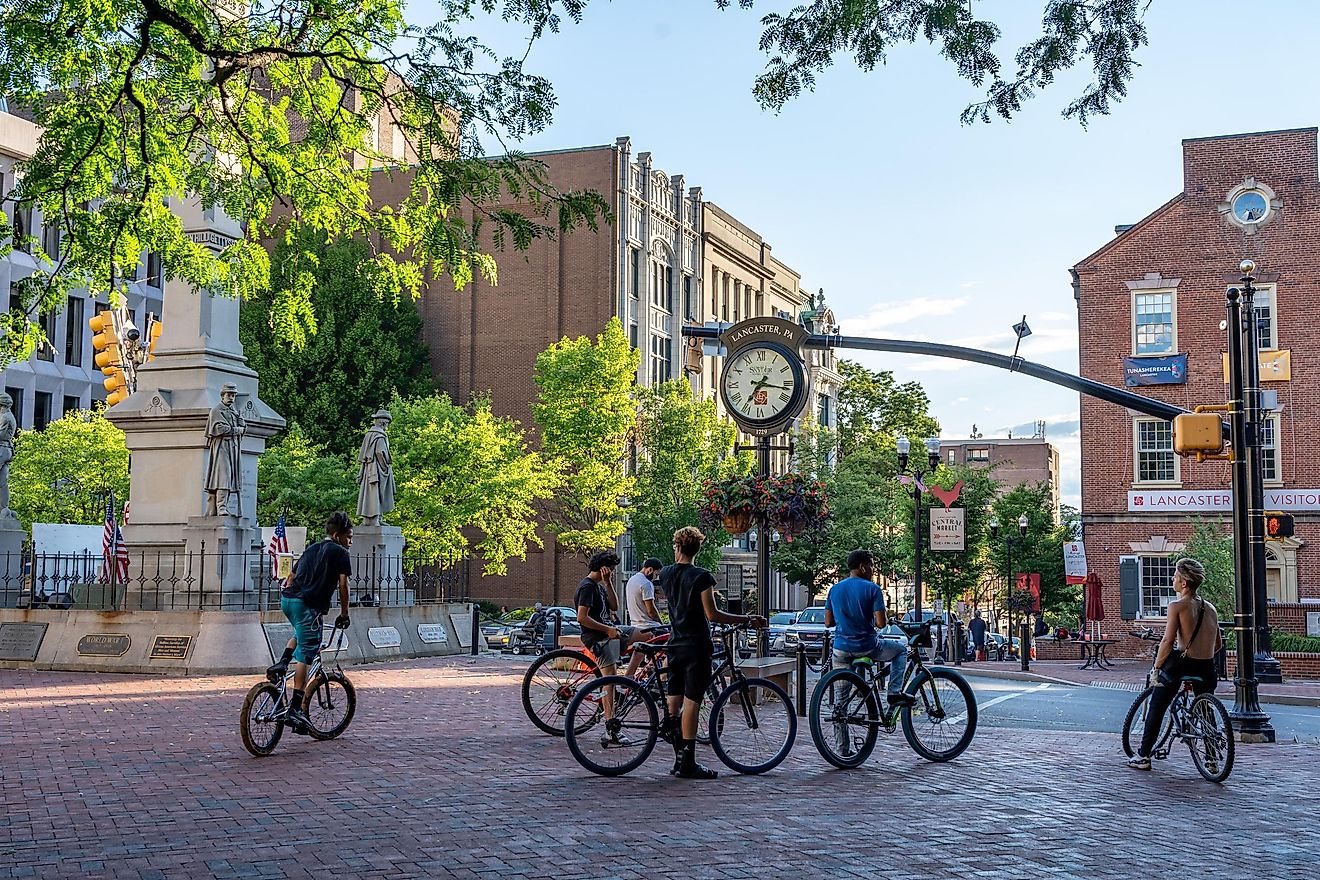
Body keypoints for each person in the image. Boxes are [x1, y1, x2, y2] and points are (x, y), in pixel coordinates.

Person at [659, 526, 766, 780]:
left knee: (673, 705)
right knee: (692, 703)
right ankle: (688, 763)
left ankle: (678, 759)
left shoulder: (665, 574)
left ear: (677, 547)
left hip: (674, 644)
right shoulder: (702, 577)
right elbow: (712, 614)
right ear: (698, 549)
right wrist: (747, 618)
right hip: (696, 645)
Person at [1128, 557, 1221, 771]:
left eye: (1176, 576)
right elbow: (1217, 644)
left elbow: (1168, 641)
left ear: (1184, 583)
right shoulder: (1211, 608)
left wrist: (1157, 668)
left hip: (1183, 665)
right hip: (1206, 667)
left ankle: (1143, 756)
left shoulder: (1177, 606)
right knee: (1206, 710)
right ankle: (1212, 759)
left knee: (1157, 706)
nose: (1173, 578)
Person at [268, 512, 353, 733]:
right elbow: (343, 585)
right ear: (337, 535)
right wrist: (344, 613)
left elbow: (291, 576)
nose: (350, 541)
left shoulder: (312, 548)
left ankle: (282, 664)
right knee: (307, 652)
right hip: (307, 604)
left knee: (301, 633)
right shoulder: (341, 553)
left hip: (288, 600)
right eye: (349, 536)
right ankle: (295, 706)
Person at [823, 549, 913, 710]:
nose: (873, 570)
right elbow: (881, 623)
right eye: (871, 566)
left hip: (841, 649)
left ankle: (840, 725)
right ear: (862, 567)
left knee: (841, 702)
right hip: (867, 646)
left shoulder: (834, 589)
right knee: (901, 651)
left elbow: (828, 622)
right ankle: (894, 692)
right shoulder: (873, 589)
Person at [575, 550, 647, 746]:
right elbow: (582, 617)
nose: (613, 573)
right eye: (611, 570)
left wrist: (608, 583)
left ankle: (630, 677)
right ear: (603, 568)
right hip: (598, 637)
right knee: (610, 680)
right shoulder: (587, 587)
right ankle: (610, 727)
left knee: (648, 635)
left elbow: (614, 606)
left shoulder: (599, 586)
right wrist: (607, 630)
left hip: (612, 630)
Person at [204, 383, 245, 516]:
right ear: (222, 396)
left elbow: (242, 428)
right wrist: (236, 430)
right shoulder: (216, 411)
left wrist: (241, 424)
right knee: (223, 476)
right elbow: (219, 428)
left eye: (233, 395)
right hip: (221, 447)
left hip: (233, 447)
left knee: (231, 477)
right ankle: (221, 507)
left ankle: (224, 506)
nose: (231, 398)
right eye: (229, 395)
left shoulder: (234, 411)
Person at [623, 557, 666, 677]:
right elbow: (651, 610)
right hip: (649, 626)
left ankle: (629, 677)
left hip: (636, 625)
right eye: (656, 574)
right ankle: (663, 678)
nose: (656, 578)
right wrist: (662, 623)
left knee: (640, 651)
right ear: (650, 570)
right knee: (673, 645)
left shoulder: (632, 580)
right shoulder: (646, 584)